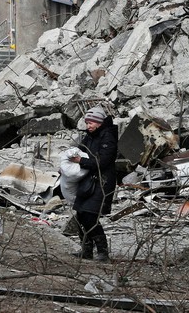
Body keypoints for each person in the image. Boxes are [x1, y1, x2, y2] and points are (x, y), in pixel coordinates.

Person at [69, 106, 117, 261]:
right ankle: (87, 250)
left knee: (90, 216)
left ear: (99, 122)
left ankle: (103, 251)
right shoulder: (89, 136)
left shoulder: (108, 137)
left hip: (102, 182)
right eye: (87, 123)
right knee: (80, 215)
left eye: (91, 123)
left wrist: (81, 161)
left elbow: (102, 162)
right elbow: (78, 152)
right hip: (87, 180)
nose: (88, 126)